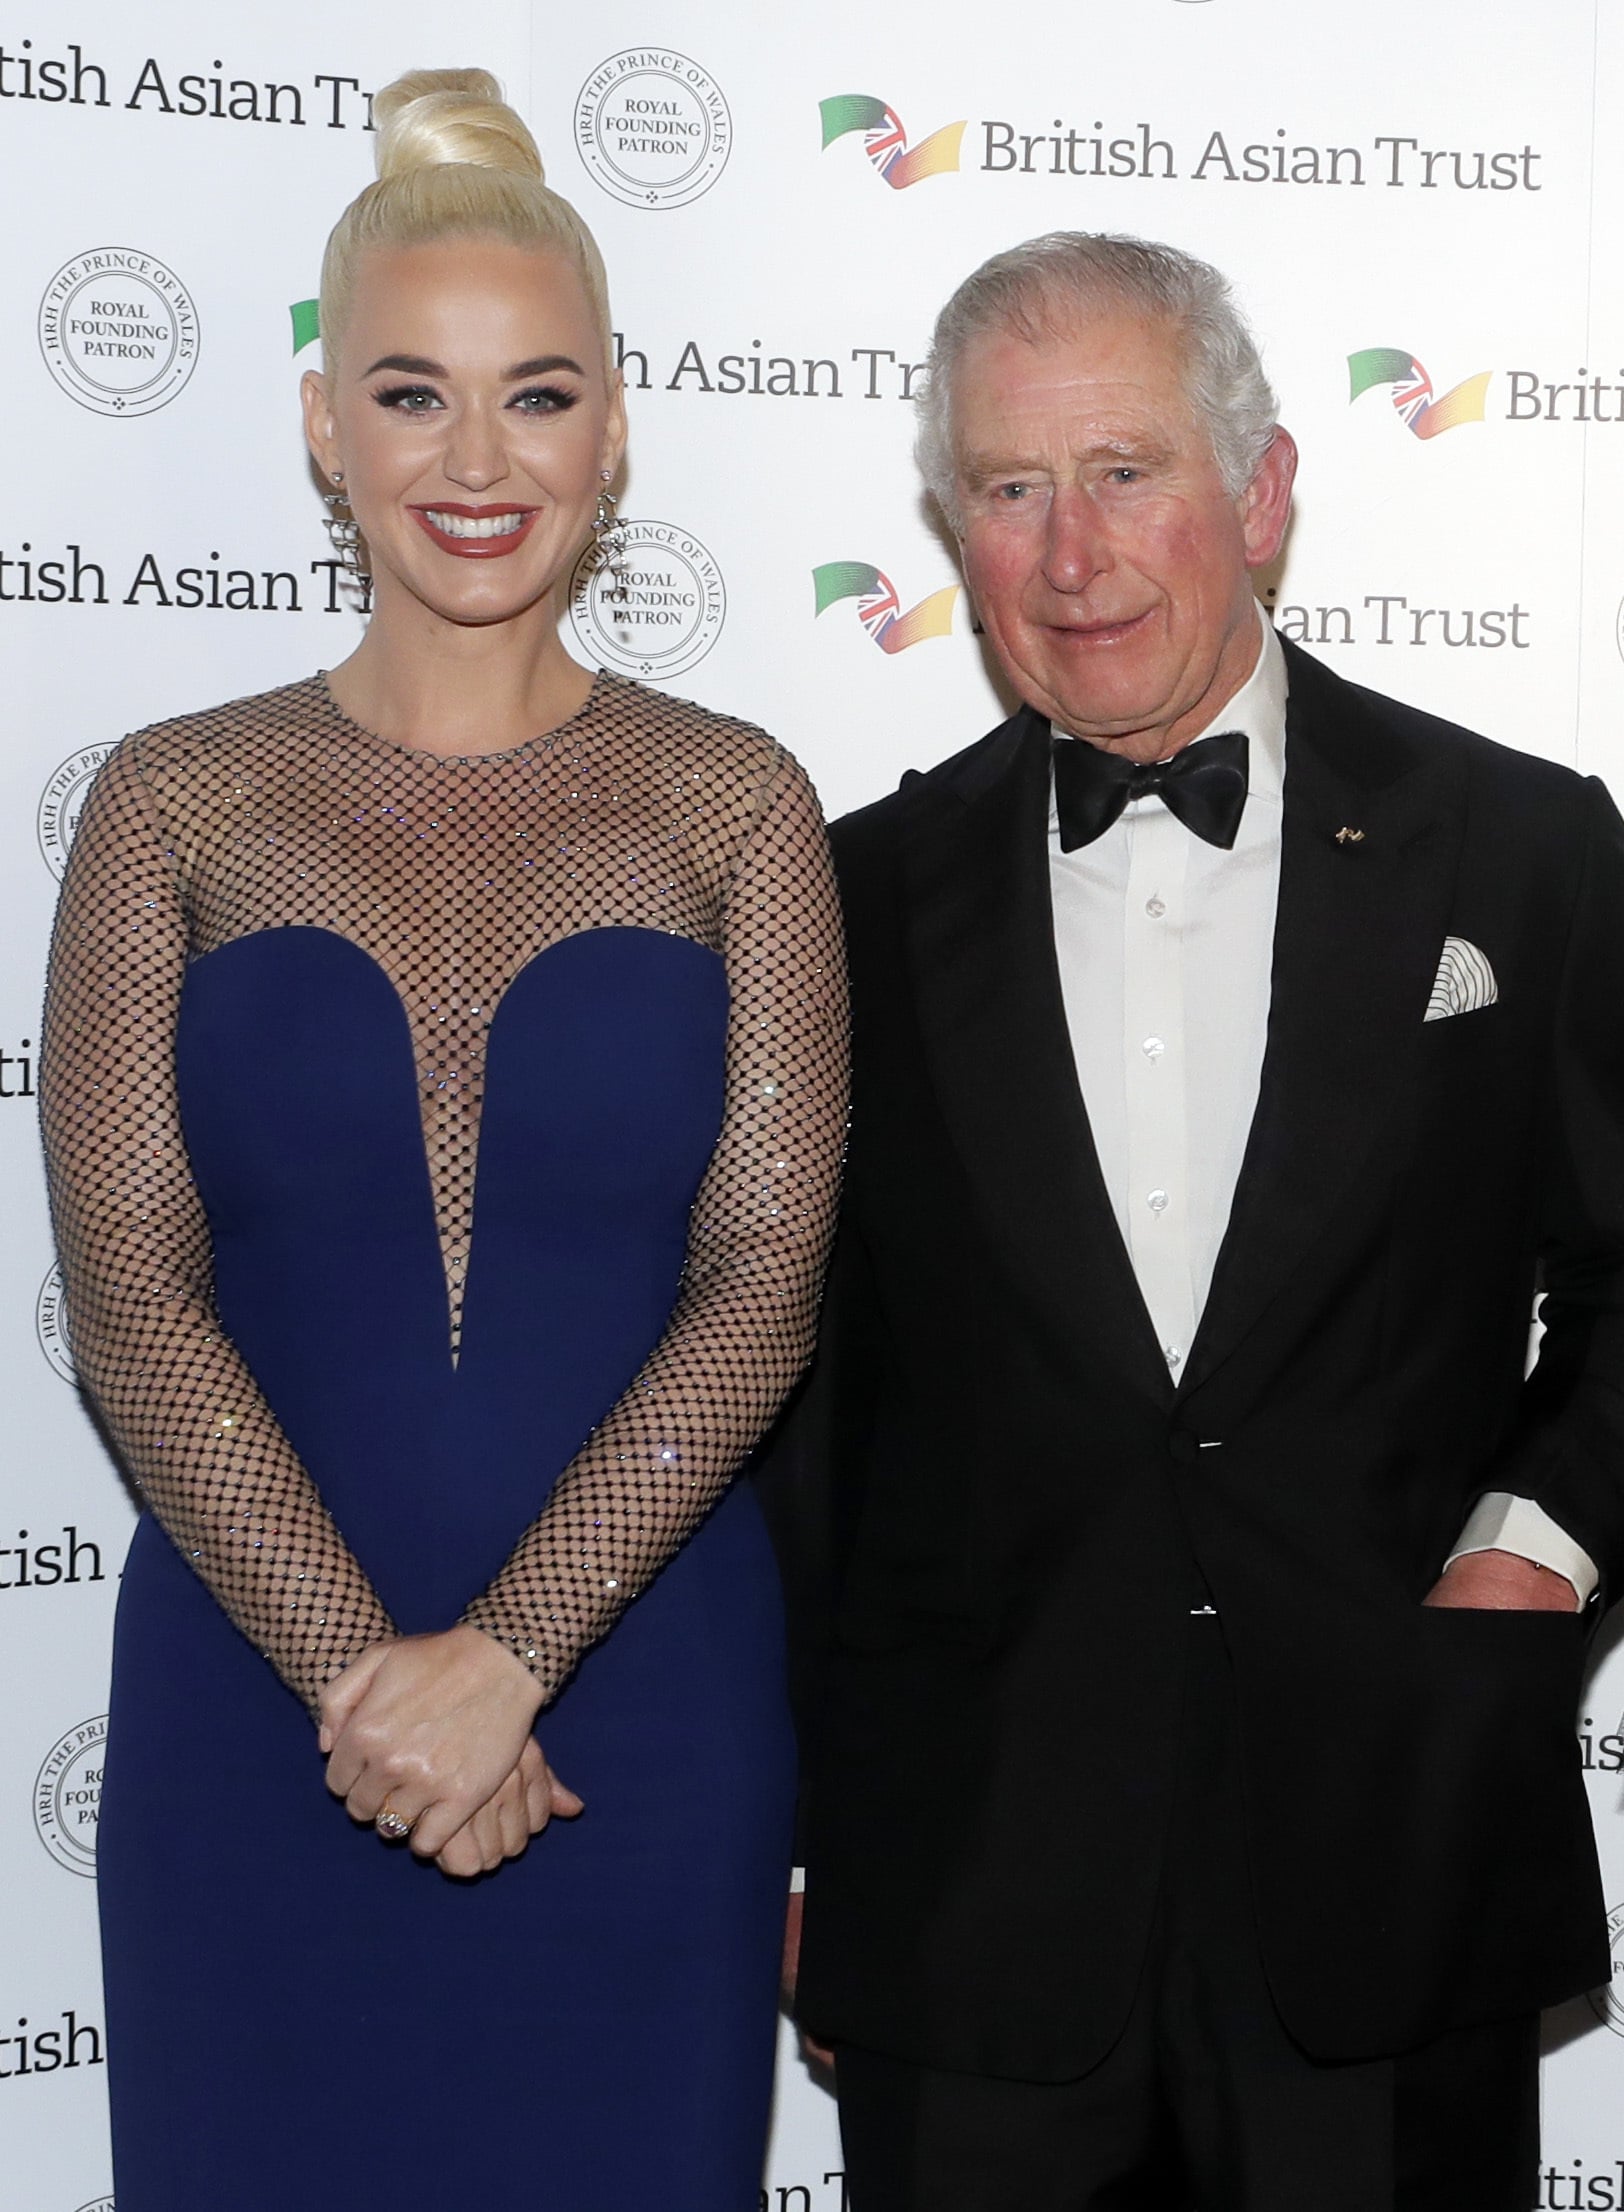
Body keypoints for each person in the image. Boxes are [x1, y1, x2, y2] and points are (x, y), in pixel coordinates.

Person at [41, 68, 847, 2212]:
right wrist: (367, 1681)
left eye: (537, 396)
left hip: (639, 1719)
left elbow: (764, 1279)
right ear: (322, 424)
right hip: (255, 1719)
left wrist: (505, 1661)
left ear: (614, 430)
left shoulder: (733, 799)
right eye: (412, 395)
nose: (476, 463)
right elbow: (128, 1288)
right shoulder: (171, 799)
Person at [769, 231, 1624, 2211]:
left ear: (1259, 493)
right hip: (970, 1921)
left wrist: (1523, 1559)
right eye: (1007, 488)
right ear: (950, 527)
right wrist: (807, 1848)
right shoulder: (845, 900)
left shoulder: (1523, 847)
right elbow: (803, 1420)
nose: (1069, 552)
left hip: (1385, 1878)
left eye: (1124, 470)